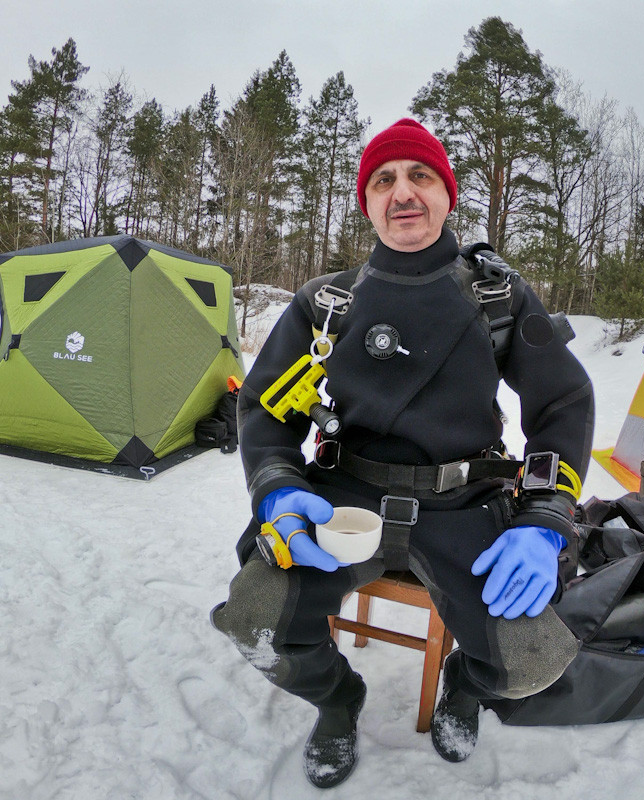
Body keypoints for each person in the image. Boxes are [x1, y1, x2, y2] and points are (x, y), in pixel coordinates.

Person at [211, 118, 595, 789]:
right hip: (340, 503)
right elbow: (264, 410)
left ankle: (466, 689)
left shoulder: (496, 296)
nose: (403, 192)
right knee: (254, 621)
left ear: (446, 193)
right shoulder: (325, 303)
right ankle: (337, 703)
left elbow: (563, 406)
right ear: (367, 202)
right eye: (384, 180)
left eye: (420, 175)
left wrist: (544, 519)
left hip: (461, 507)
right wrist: (277, 488)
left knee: (531, 659)